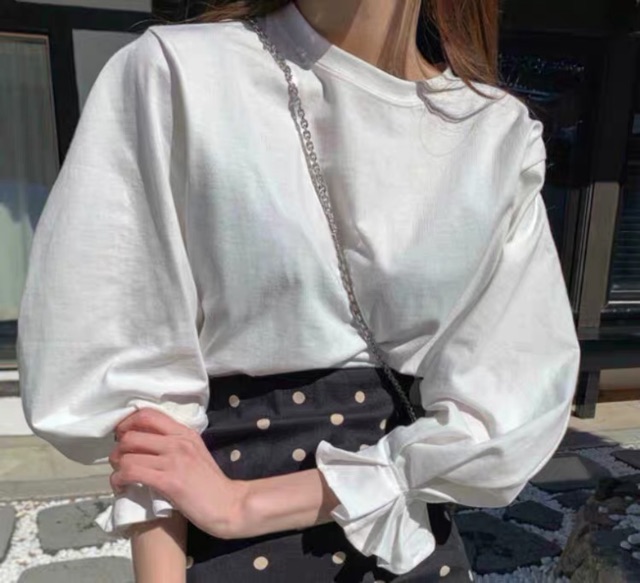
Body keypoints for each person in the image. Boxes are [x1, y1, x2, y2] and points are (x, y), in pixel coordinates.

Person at [17, 0, 581, 581]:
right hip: (230, 546)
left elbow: (508, 405)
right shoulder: (180, 73)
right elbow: (143, 396)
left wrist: (245, 504)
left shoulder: (495, 135)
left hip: (407, 543)